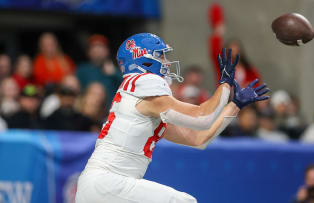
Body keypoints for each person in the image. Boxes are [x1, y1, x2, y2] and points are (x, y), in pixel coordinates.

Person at [75, 33, 270, 203]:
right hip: (107, 181)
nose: (167, 62)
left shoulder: (142, 102)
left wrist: (234, 105)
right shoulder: (144, 82)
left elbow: (198, 139)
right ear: (144, 59)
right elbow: (203, 116)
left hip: (101, 185)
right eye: (161, 55)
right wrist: (225, 84)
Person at [76, 34, 123, 106]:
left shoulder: (116, 69)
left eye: (101, 47)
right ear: (88, 52)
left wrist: (114, 74)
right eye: (94, 47)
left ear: (107, 51)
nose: (97, 50)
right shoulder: (82, 70)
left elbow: (128, 88)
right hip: (87, 109)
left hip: (111, 111)